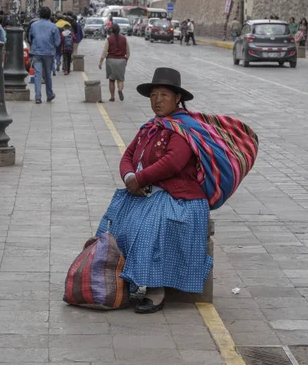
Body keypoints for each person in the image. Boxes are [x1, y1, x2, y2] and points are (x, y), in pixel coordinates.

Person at [94, 67, 258, 313]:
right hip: (150, 191)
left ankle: (156, 289)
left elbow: (172, 162)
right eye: (154, 95)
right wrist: (130, 176)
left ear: (177, 98)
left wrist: (139, 178)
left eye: (164, 95)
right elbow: (128, 154)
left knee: (150, 224)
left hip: (180, 198)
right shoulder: (151, 127)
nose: (157, 101)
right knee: (119, 219)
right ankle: (128, 278)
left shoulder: (183, 129)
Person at [28, 6, 61, 104]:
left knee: (37, 74)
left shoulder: (33, 25)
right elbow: (57, 42)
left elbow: (30, 38)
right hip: (48, 53)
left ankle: (38, 97)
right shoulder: (53, 26)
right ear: (49, 15)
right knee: (47, 75)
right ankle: (49, 94)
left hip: (36, 52)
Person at [98, 22, 130, 102]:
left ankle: (112, 97)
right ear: (119, 30)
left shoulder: (109, 39)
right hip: (121, 60)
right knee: (120, 79)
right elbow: (128, 52)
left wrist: (101, 62)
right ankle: (120, 90)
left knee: (111, 79)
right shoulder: (124, 39)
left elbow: (104, 52)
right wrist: (126, 60)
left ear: (111, 30)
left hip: (111, 60)